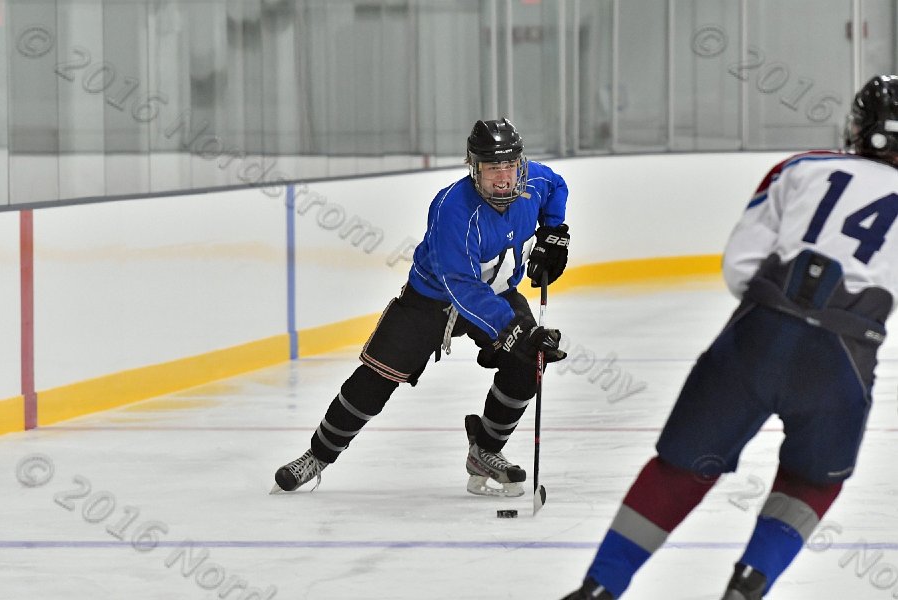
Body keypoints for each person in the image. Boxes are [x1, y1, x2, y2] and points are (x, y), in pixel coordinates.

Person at [561, 74, 898, 600]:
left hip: (756, 336)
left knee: (682, 467)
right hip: (842, 359)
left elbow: (740, 267)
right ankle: (746, 588)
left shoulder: (801, 168)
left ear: (857, 127)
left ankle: (598, 589)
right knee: (814, 479)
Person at [273, 118, 570, 498]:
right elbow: (460, 285)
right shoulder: (452, 209)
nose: (502, 178)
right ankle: (317, 456)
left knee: (530, 360)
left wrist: (553, 232)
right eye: (492, 168)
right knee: (375, 379)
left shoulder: (537, 182)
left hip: (494, 293)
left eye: (509, 166)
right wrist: (511, 328)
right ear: (473, 169)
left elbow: (558, 187)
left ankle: (485, 452)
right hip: (431, 298)